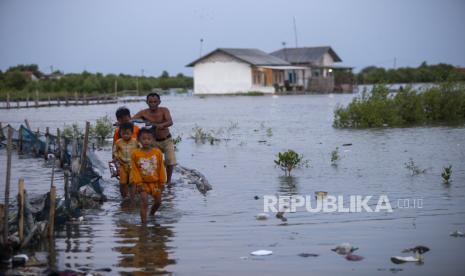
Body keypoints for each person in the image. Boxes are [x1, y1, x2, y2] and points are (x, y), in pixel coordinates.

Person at [133, 93, 176, 183]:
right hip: (153, 142)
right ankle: (156, 180)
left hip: (166, 139)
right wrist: (120, 122)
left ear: (159, 102)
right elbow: (132, 120)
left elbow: (170, 122)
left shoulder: (164, 110)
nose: (153, 104)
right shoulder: (143, 112)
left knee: (170, 161)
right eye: (150, 102)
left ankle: (168, 182)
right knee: (154, 162)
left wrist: (161, 125)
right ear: (147, 102)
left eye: (155, 101)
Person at [131, 128, 167, 224]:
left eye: (149, 139)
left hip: (155, 183)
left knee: (158, 202)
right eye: (144, 139)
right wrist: (138, 183)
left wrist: (162, 182)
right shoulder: (135, 154)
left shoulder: (157, 153)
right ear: (139, 140)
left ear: (153, 140)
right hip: (142, 184)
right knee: (144, 202)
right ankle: (144, 224)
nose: (146, 141)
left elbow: (161, 168)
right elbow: (135, 170)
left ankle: (151, 214)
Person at [112, 122, 139, 201]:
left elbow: (141, 149)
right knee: (122, 182)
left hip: (133, 165)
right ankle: (124, 197)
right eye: (123, 133)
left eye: (127, 133)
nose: (125, 135)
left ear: (131, 133)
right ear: (120, 133)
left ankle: (132, 198)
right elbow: (115, 151)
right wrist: (116, 158)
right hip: (122, 164)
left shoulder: (135, 141)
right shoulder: (118, 142)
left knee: (132, 182)